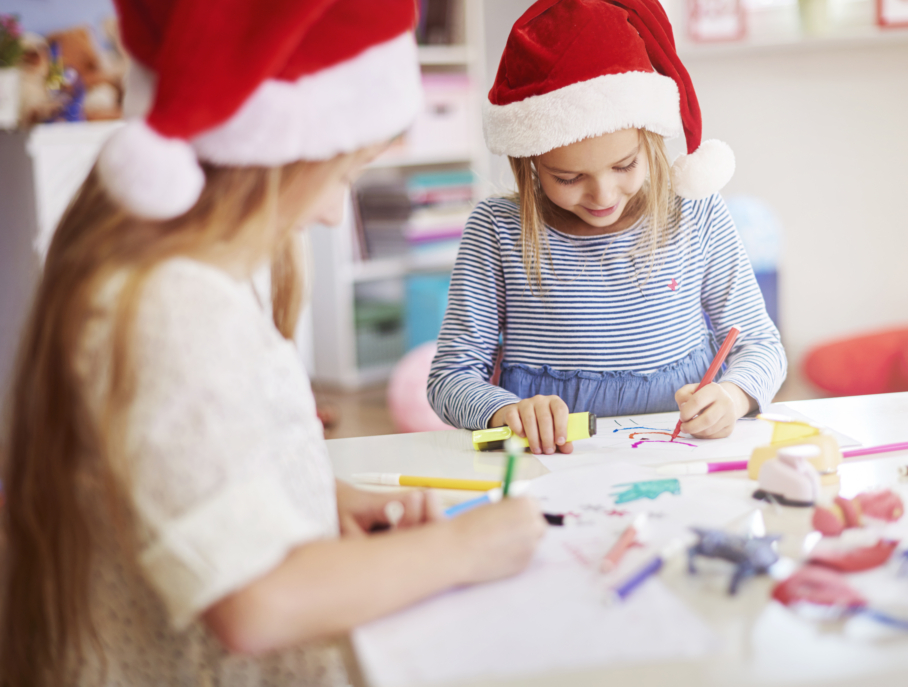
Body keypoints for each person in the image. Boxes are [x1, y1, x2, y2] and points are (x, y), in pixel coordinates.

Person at [0, 2, 544, 686]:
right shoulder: (174, 303)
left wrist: (320, 495)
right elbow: (255, 600)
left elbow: (194, 460)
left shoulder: (188, 271)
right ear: (267, 153)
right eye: (341, 176)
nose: (330, 212)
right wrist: (464, 548)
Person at [428, 0, 787, 456]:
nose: (602, 196)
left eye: (624, 165)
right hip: (553, 464)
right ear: (529, 161)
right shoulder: (498, 230)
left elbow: (760, 345)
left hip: (680, 457)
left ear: (650, 137)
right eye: (569, 178)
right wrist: (504, 411)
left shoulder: (696, 211)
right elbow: (450, 377)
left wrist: (733, 398)